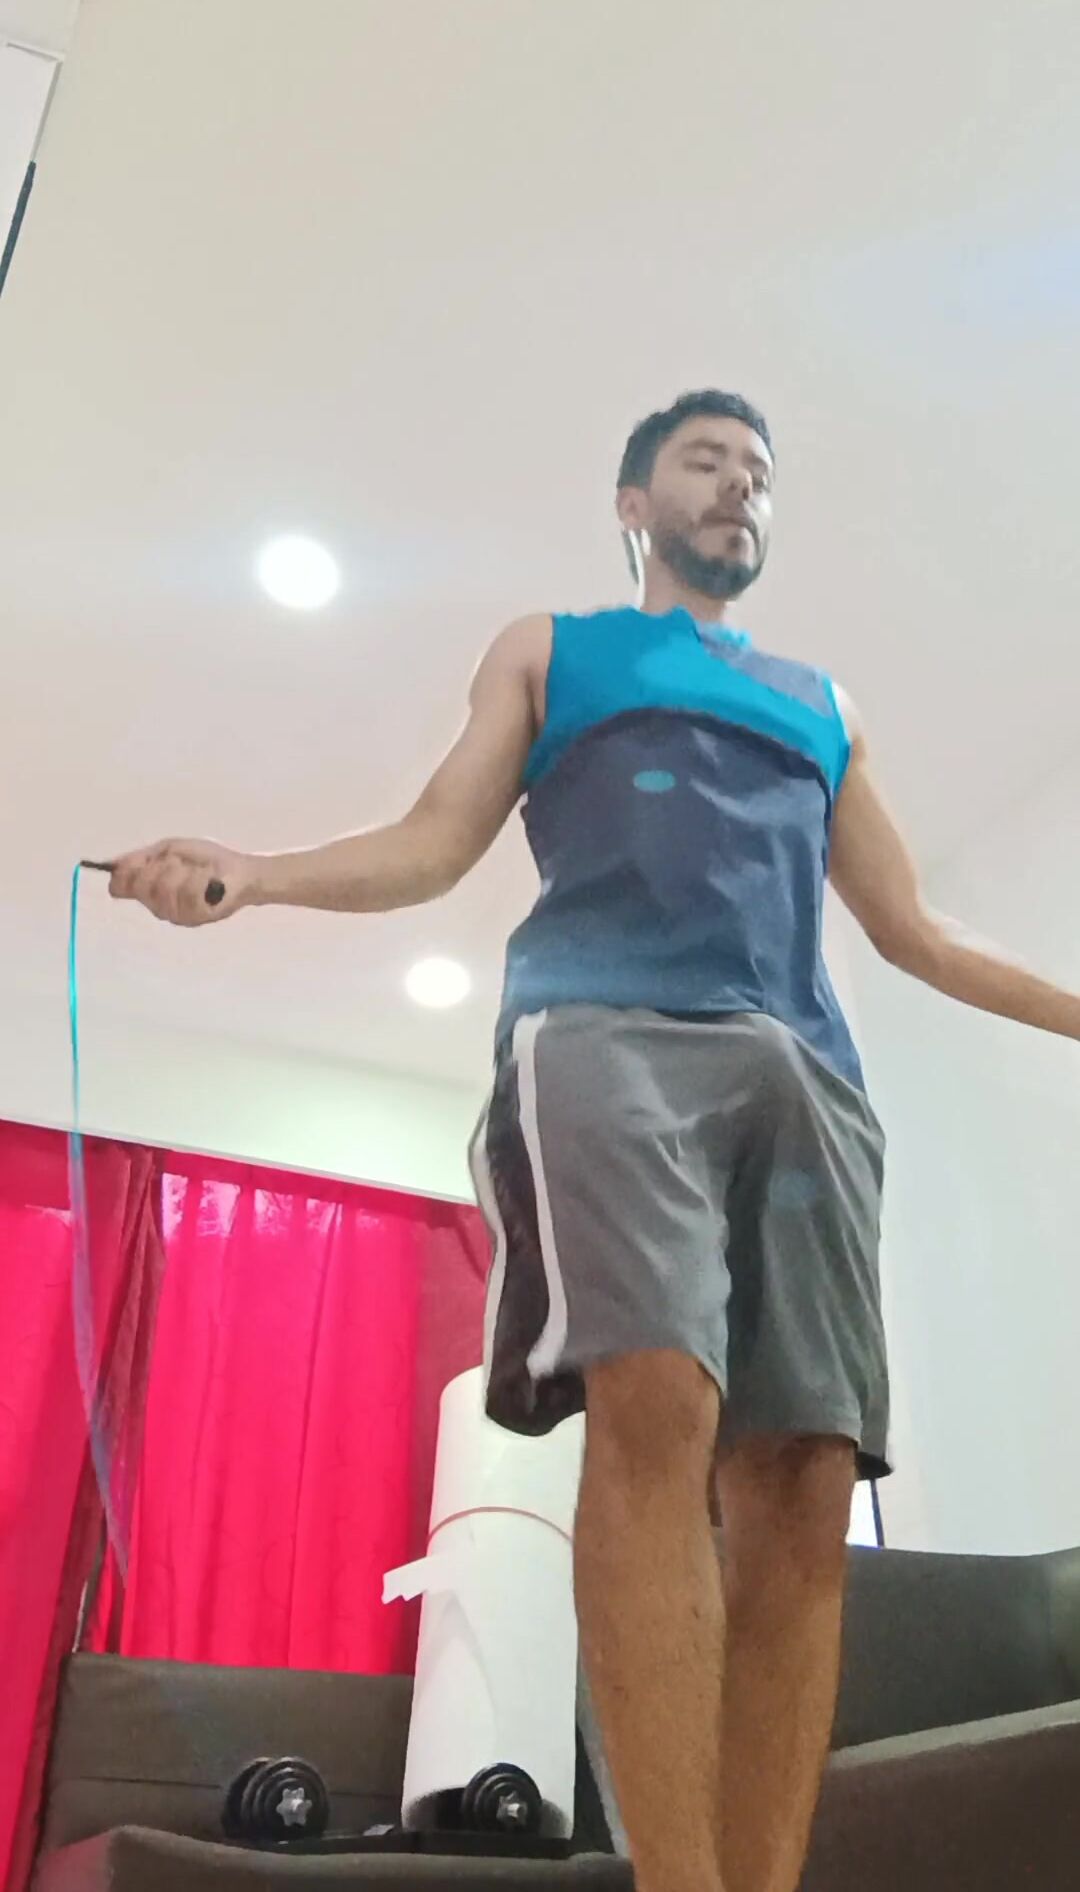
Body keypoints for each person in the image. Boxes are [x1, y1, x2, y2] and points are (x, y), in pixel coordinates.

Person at [109, 389, 1080, 1892]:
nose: (738, 488)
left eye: (758, 474)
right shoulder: (551, 650)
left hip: (808, 1072)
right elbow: (432, 842)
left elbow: (916, 934)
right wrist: (257, 872)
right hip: (605, 1034)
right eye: (706, 462)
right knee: (658, 1397)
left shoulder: (825, 704)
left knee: (807, 1470)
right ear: (633, 503)